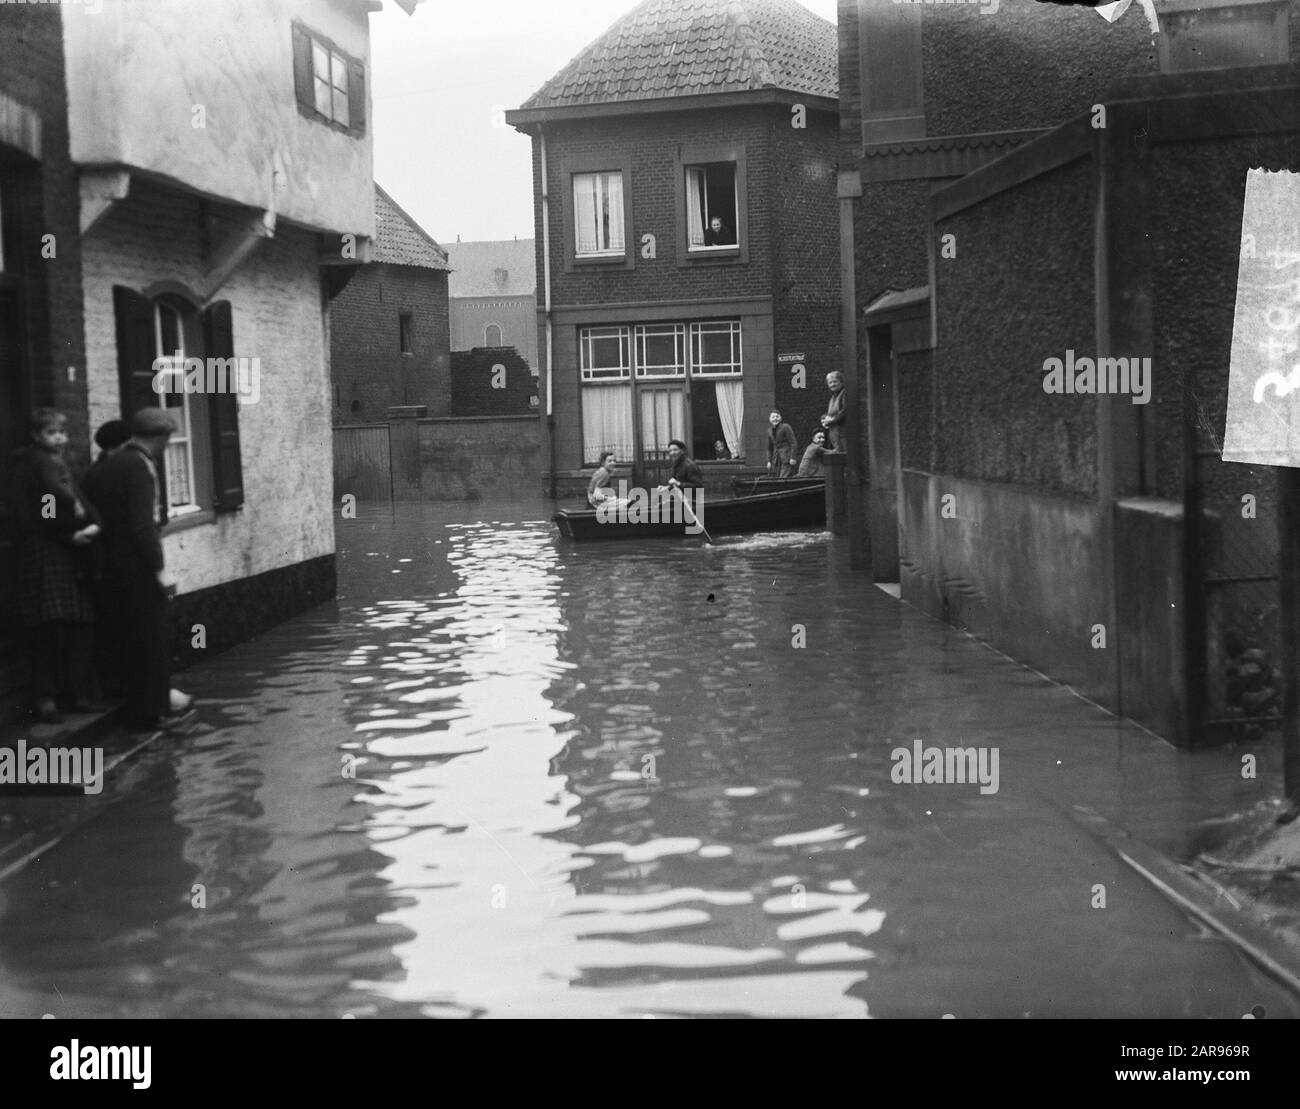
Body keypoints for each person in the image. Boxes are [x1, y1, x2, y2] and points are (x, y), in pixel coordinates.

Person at [81, 406, 187, 731]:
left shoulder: (104, 468)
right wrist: (160, 570)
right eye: (168, 437)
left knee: (127, 639)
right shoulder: (141, 466)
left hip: (108, 566)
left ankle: (141, 706)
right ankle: (152, 713)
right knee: (149, 638)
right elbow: (143, 526)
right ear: (161, 437)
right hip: (136, 567)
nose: (168, 444)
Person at [10, 408, 101, 722]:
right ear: (37, 436)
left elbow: (78, 499)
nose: (59, 438)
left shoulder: (60, 463)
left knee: (80, 624)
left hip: (66, 553)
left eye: (62, 432)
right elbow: (41, 514)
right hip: (45, 551)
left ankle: (73, 691)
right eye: (51, 433)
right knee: (51, 628)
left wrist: (95, 523)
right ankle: (46, 697)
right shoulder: (32, 466)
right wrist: (68, 534)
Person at [821, 370, 847, 452]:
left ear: (841, 382)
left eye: (835, 381)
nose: (832, 384)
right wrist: (825, 418)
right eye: (830, 382)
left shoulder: (845, 393)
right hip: (835, 435)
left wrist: (833, 420)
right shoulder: (833, 397)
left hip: (843, 434)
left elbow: (845, 410)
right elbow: (832, 412)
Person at [766, 411, 797, 478]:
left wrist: (792, 457)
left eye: (777, 416)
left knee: (784, 477)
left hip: (786, 457)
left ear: (780, 418)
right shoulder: (769, 431)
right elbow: (769, 448)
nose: (775, 419)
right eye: (773, 417)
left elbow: (793, 443)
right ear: (770, 419)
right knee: (777, 478)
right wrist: (769, 461)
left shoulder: (786, 427)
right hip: (776, 459)